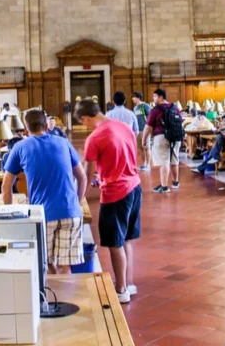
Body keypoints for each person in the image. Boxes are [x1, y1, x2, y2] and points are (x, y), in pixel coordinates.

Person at [2, 108, 88, 274]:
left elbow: (6, 187)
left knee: (46, 265)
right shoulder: (63, 142)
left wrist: (9, 211)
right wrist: (76, 202)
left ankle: (50, 298)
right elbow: (82, 177)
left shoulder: (20, 146)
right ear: (47, 126)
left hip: (43, 214)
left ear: (26, 129)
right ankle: (66, 298)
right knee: (66, 266)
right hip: (71, 212)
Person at [77, 99, 141, 304]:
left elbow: (85, 174)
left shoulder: (95, 137)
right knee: (126, 240)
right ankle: (128, 283)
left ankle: (121, 289)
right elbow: (125, 157)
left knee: (115, 243)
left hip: (116, 193)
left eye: (83, 122)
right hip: (134, 186)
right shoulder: (124, 127)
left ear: (86, 118)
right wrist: (104, 177)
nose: (85, 126)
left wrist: (79, 199)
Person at [145, 89, 182, 191]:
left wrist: (144, 140)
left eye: (155, 96)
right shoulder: (174, 107)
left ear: (161, 97)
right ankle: (175, 182)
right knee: (174, 160)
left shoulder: (156, 110)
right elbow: (180, 120)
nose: (153, 98)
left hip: (162, 137)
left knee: (164, 161)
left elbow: (148, 127)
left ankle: (164, 186)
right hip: (176, 136)